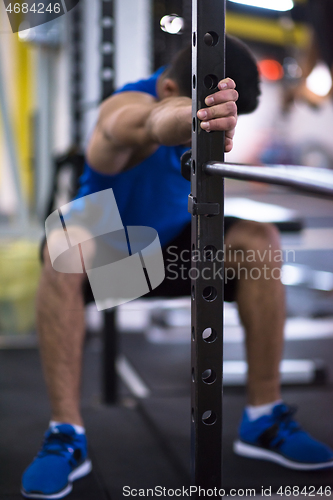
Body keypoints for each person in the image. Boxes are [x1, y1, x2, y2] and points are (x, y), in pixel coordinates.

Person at [21, 35, 333, 499]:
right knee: (64, 240)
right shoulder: (126, 106)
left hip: (171, 251)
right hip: (111, 263)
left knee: (258, 240)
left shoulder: (197, 106)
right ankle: (66, 433)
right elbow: (150, 122)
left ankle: (263, 418)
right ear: (169, 88)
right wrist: (193, 116)